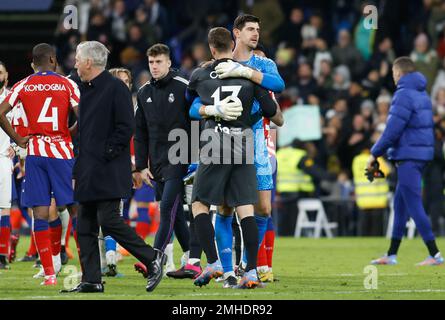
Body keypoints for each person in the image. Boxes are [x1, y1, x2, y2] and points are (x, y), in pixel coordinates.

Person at [66, 41, 165, 293]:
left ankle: (152, 258)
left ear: (89, 61)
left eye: (78, 58)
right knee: (85, 225)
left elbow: (126, 127)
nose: (75, 63)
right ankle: (92, 280)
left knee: (109, 220)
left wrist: (104, 153)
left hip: (108, 168)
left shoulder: (116, 89)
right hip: (87, 168)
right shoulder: (81, 88)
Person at [188, 27, 279, 289]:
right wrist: (248, 115)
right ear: (233, 43)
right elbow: (272, 109)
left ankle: (215, 262)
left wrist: (211, 109)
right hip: (243, 143)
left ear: (211, 48)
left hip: (215, 144)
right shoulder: (248, 76)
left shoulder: (201, 73)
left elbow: (191, 108)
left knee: (200, 204)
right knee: (245, 209)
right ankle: (250, 272)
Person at [0, 44, 79, 285]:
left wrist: (17, 139)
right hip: (62, 153)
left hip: (35, 153)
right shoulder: (68, 83)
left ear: (33, 63)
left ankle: (50, 275)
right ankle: (88, 268)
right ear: (53, 60)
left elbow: (0, 112)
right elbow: (84, 117)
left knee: (41, 213)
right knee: (74, 209)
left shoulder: (23, 85)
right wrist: (68, 133)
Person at [368, 57, 443, 266]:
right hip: (421, 155)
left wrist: (374, 153)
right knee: (400, 204)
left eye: (393, 73)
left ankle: (435, 254)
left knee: (414, 203)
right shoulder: (423, 94)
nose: (393, 77)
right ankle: (391, 254)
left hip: (408, 156)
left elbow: (392, 130)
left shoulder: (403, 95)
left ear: (399, 73)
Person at [133, 43, 191, 276]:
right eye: (151, 62)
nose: (154, 67)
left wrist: (195, 157)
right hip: (156, 162)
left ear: (169, 63)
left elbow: (197, 121)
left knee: (166, 209)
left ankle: (153, 259)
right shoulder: (144, 92)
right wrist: (140, 166)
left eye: (159, 62)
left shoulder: (185, 88)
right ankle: (191, 260)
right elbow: (140, 133)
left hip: (180, 158)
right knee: (174, 214)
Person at [0, 60, 15, 270]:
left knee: (4, 208)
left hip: (3, 158)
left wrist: (15, 145)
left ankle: (2, 253)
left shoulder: (13, 98)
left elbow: (23, 123)